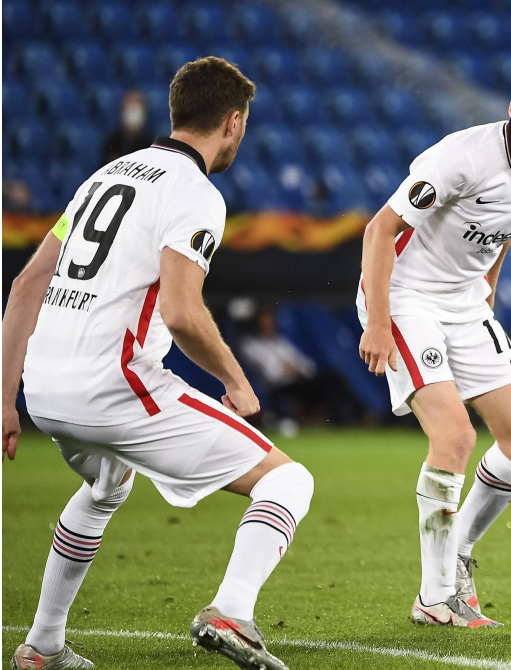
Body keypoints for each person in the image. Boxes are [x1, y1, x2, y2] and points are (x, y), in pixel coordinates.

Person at [2, 57, 312, 670]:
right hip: (114, 387)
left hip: (43, 388)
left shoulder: (104, 176)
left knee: (106, 483)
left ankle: (42, 646)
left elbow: (25, 286)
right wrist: (236, 379)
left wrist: (3, 398)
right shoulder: (194, 192)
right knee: (287, 480)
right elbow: (181, 311)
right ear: (233, 121)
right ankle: (233, 612)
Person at [356, 63, 511, 627]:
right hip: (405, 298)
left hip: (464, 303)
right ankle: (435, 597)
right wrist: (378, 322)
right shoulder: (461, 157)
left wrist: (489, 294)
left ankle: (456, 556)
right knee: (454, 436)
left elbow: (501, 234)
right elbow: (380, 229)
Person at [240, 306, 360, 427]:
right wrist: (291, 369)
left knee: (333, 378)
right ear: (256, 324)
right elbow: (273, 374)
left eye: (271, 321)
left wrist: (295, 369)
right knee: (328, 383)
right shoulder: (250, 345)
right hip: (279, 387)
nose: (269, 325)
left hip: (299, 381)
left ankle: (350, 416)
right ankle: (341, 420)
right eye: (264, 322)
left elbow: (306, 366)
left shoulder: (280, 342)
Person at [101, 90, 155, 165]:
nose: (133, 115)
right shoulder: (111, 143)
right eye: (130, 110)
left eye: (136, 110)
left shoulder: (150, 146)